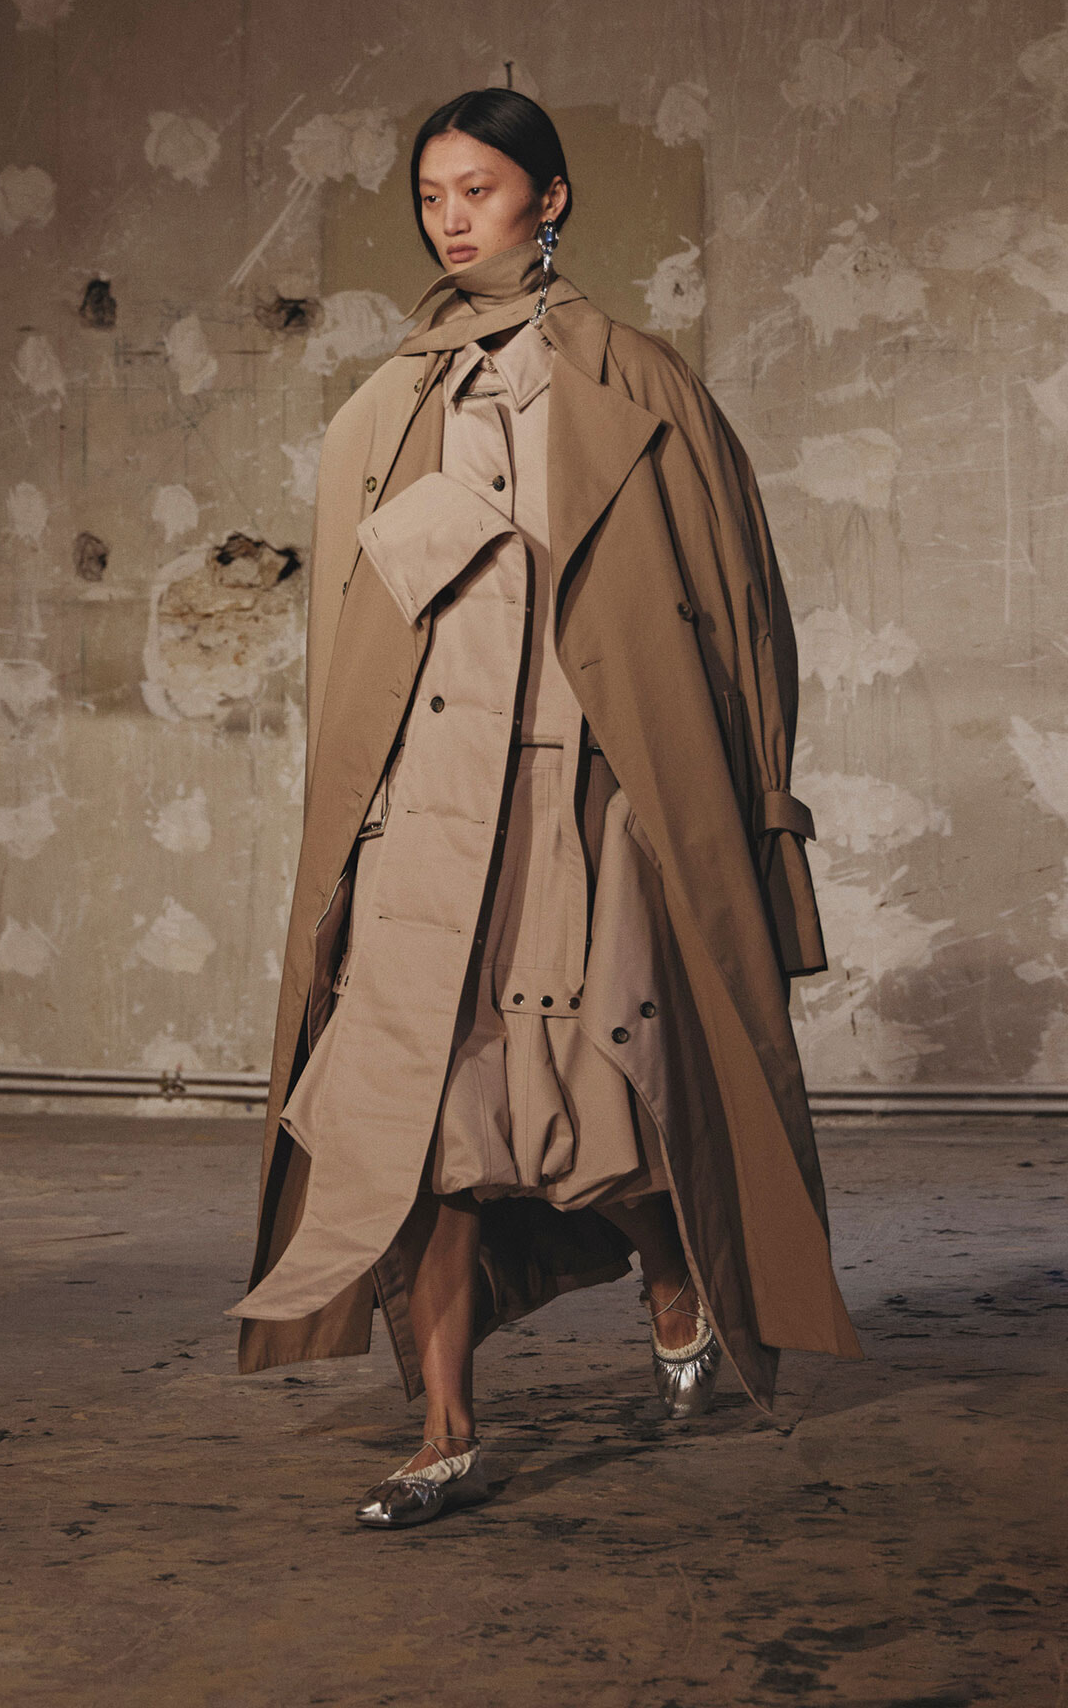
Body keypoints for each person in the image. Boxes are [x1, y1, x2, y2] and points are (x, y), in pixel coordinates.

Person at [226, 88, 862, 1528]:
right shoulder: (381, 415)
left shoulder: (643, 387)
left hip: (588, 806)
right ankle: (447, 1430)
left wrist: (759, 816)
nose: (454, 218)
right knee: (412, 1117)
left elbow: (740, 619)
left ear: (552, 198)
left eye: (483, 190)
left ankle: (676, 1261)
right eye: (433, 196)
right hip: (421, 819)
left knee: (605, 1097)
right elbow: (345, 656)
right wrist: (342, 844)